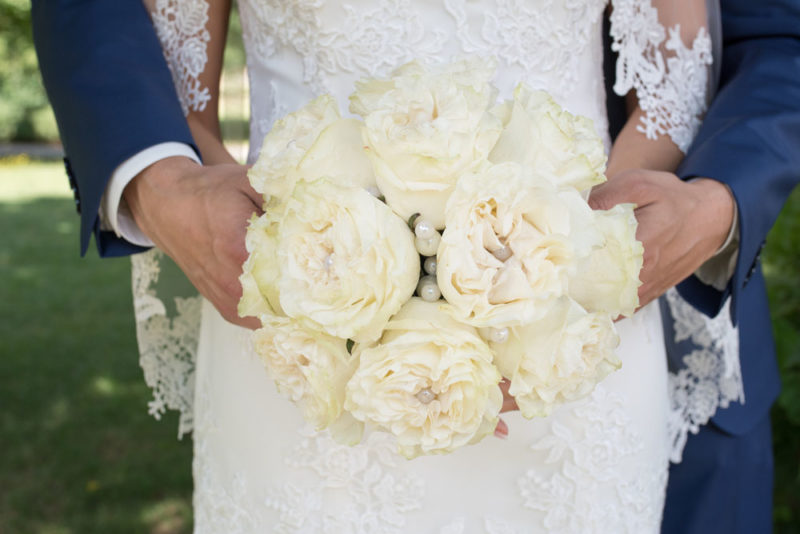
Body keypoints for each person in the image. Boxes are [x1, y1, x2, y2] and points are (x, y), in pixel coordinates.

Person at [30, 1, 799, 532]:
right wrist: (183, 196)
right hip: (303, 320)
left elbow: (669, 88)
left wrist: (568, 268)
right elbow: (176, 90)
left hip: (569, 319)